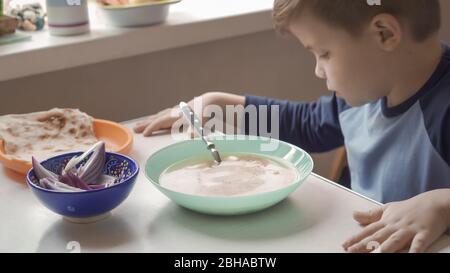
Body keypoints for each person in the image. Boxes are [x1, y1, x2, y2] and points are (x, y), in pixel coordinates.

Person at [134, 0, 450, 253]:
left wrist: (443, 204)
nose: (317, 70)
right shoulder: (363, 95)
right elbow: (305, 125)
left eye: (324, 53)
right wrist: (219, 104)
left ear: (384, 34)